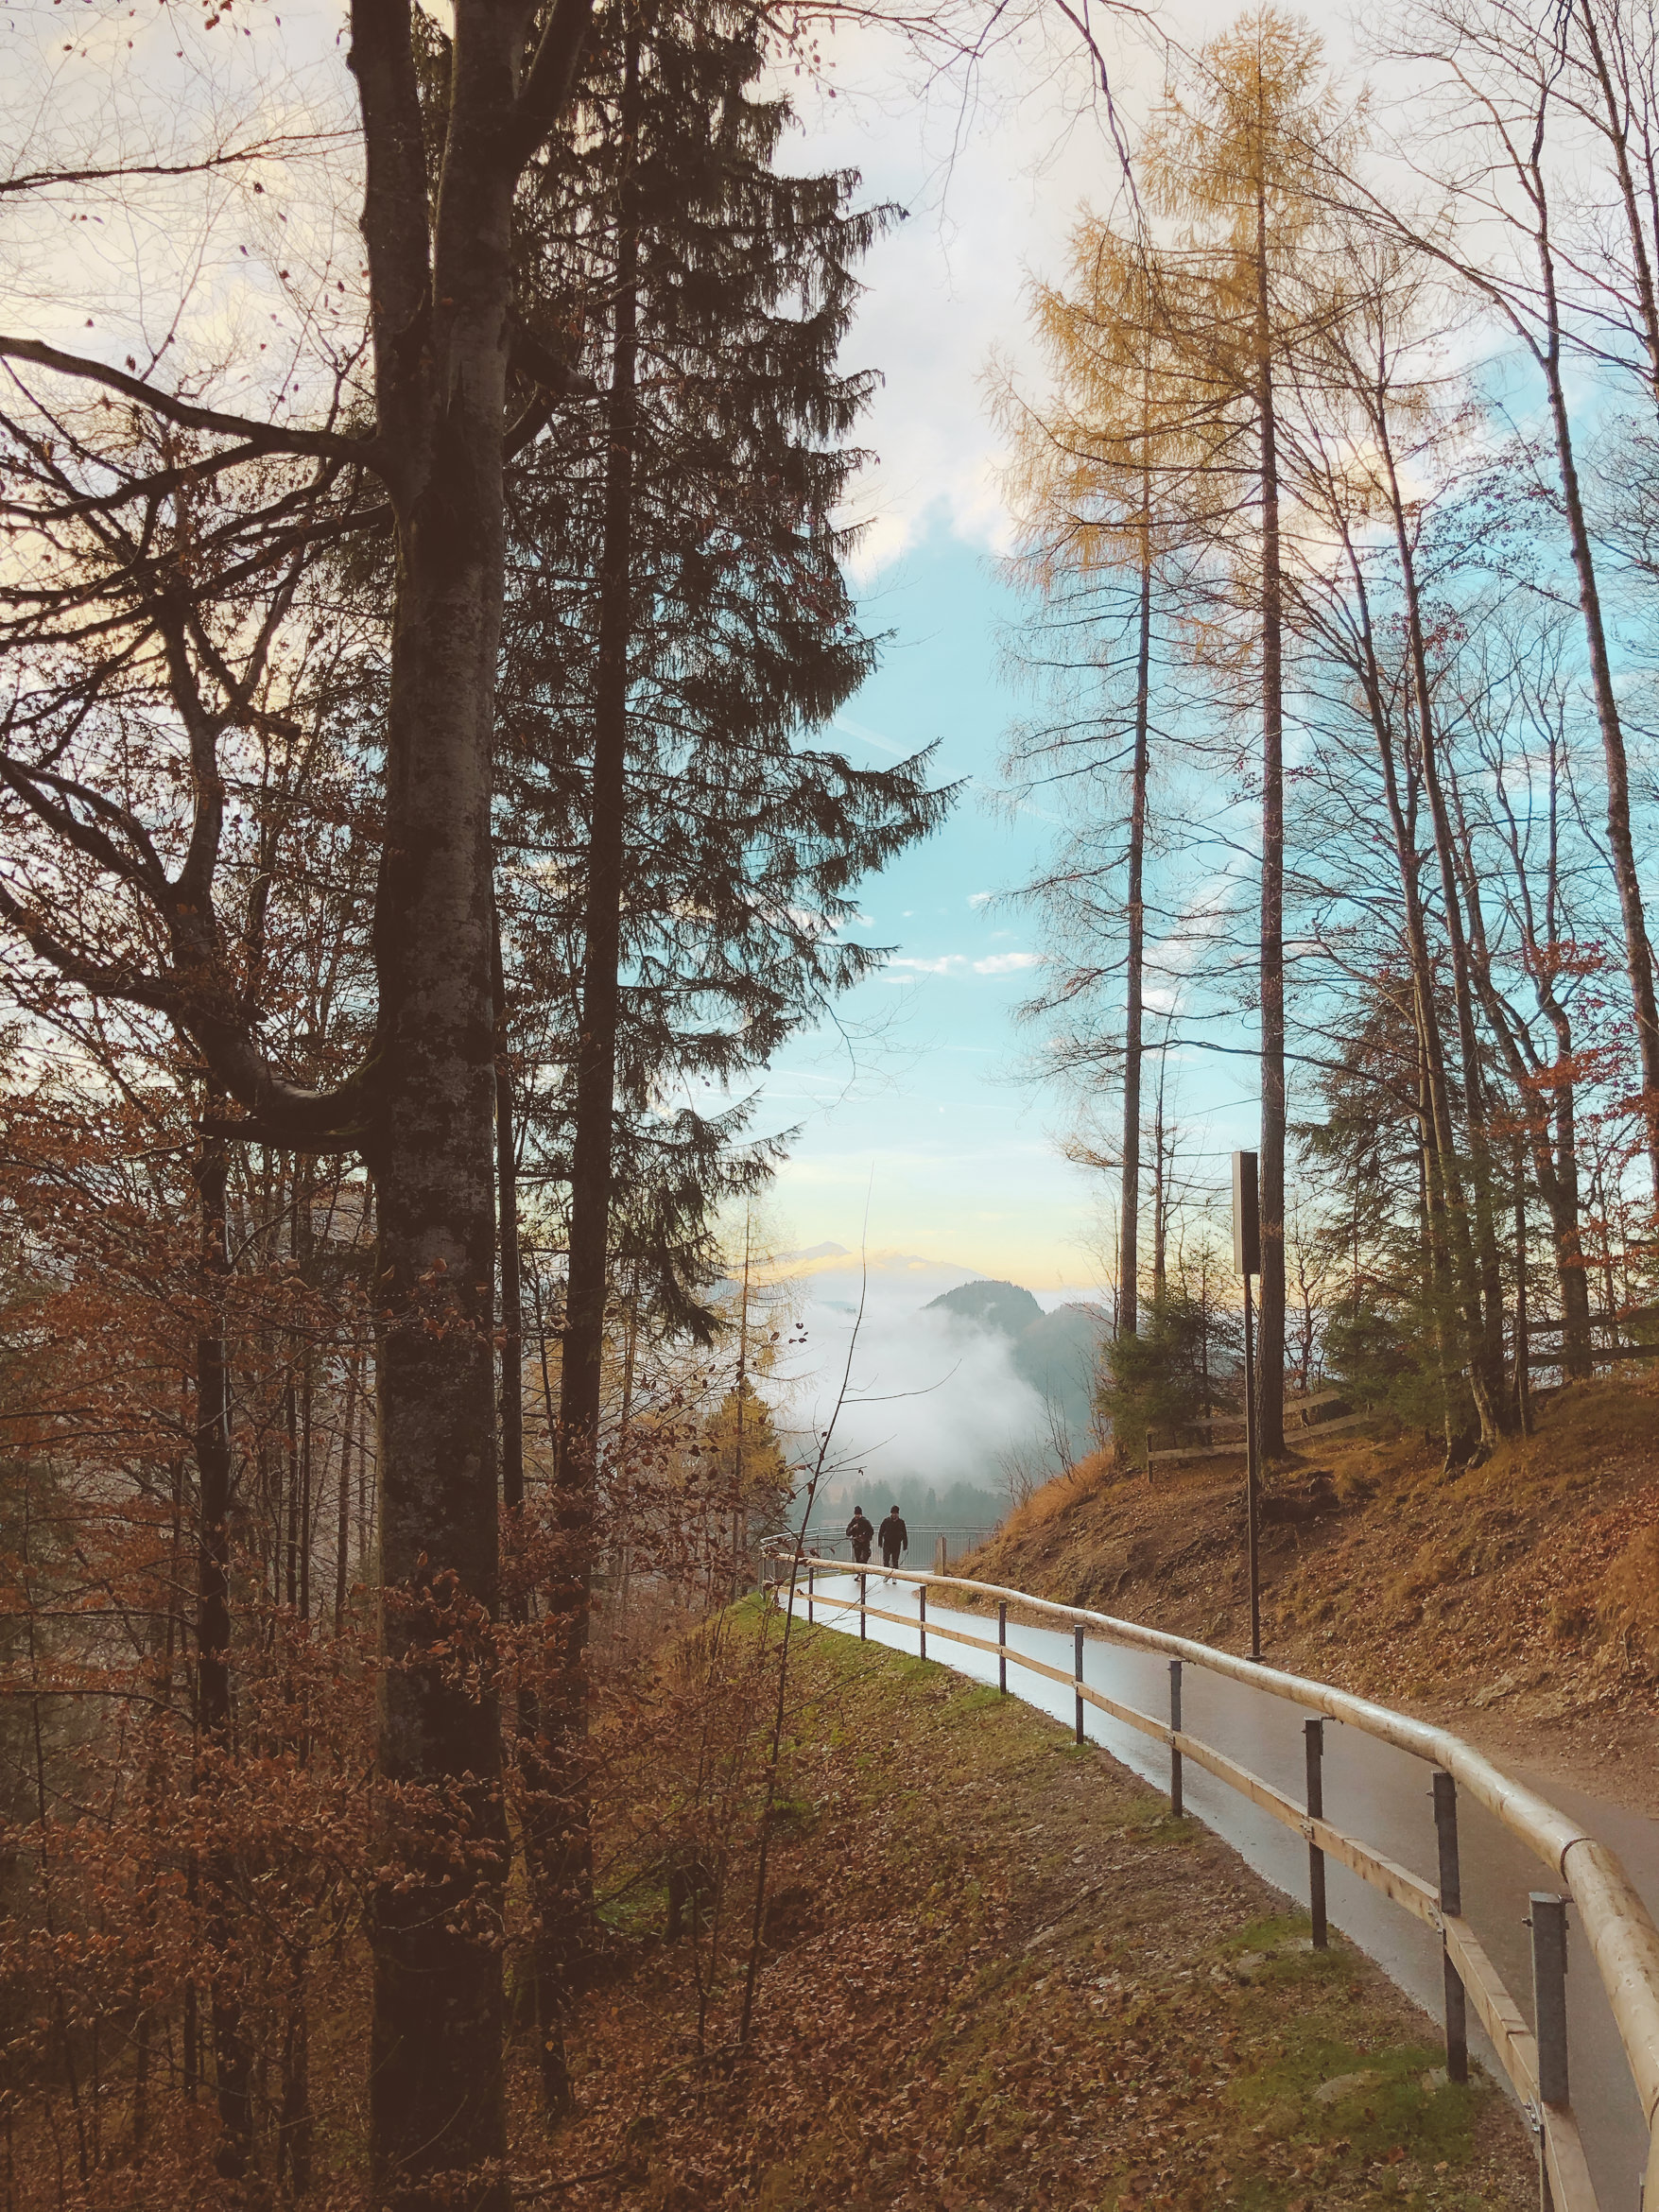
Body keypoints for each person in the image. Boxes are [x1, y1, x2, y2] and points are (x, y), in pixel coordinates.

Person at [878, 1505, 907, 1575]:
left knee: (895, 1561)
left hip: (897, 1544)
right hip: (887, 1544)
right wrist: (880, 1542)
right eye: (893, 1513)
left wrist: (905, 1544)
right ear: (891, 1513)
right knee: (886, 1559)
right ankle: (886, 1574)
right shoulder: (886, 1521)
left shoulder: (901, 1522)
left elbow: (904, 1534)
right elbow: (881, 1532)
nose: (894, 1514)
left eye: (895, 1513)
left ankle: (895, 1576)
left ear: (898, 1514)